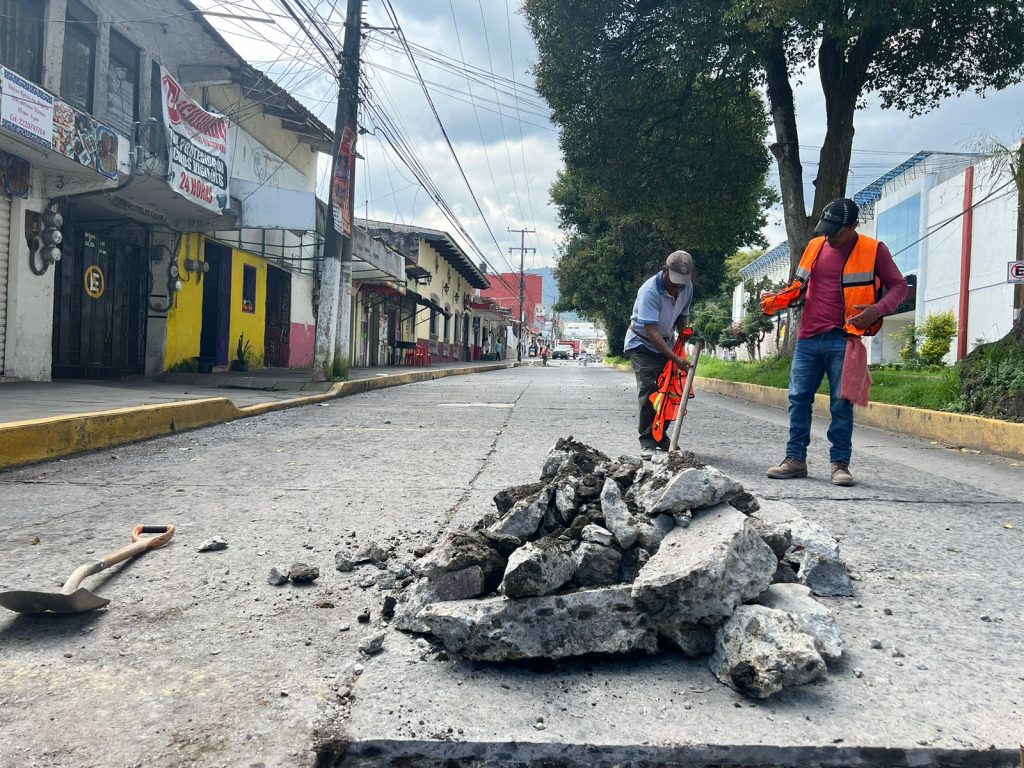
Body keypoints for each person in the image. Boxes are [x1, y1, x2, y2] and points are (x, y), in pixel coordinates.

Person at [767, 198, 907, 486]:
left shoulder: (874, 250)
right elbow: (799, 287)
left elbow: (899, 285)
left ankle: (840, 464)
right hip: (808, 338)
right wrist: (778, 298)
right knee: (798, 399)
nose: (829, 236)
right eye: (826, 229)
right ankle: (795, 459)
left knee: (841, 404)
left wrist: (877, 310)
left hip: (843, 338)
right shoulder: (815, 246)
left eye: (836, 231)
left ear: (854, 226)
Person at [624, 250, 695, 457]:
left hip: (667, 343)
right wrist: (675, 358)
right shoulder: (650, 290)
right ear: (665, 270)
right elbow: (651, 330)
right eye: (674, 280)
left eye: (682, 282)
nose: (677, 286)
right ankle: (647, 441)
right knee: (650, 389)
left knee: (668, 390)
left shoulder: (687, 287)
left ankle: (660, 436)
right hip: (642, 342)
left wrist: (683, 332)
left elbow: (682, 315)